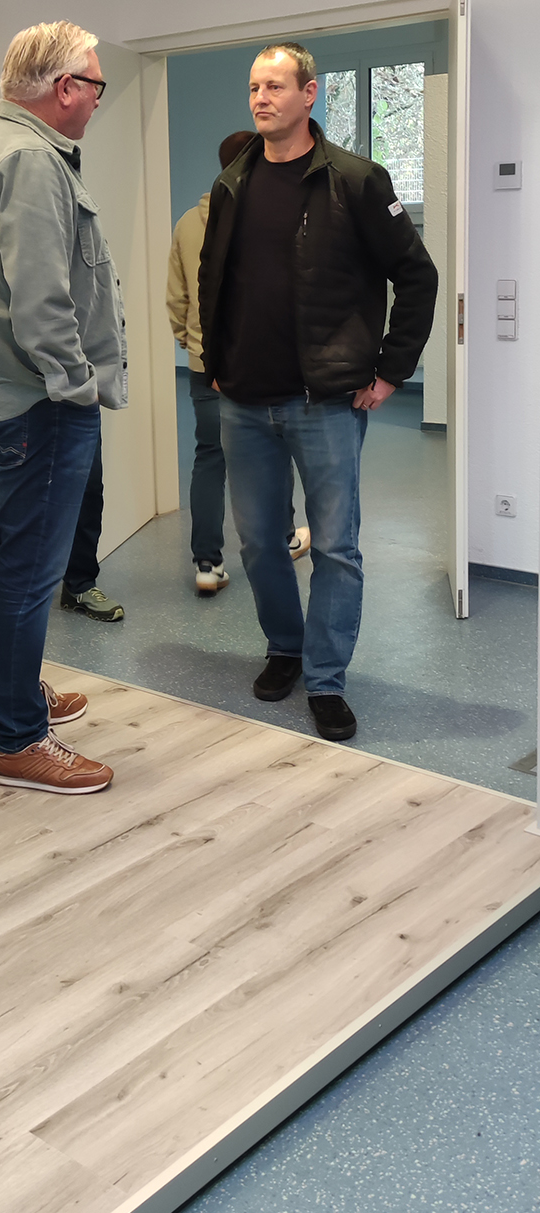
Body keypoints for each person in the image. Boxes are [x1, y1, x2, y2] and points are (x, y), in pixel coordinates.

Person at [199, 41, 437, 743]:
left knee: (335, 547)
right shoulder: (232, 184)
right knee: (258, 544)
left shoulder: (357, 181)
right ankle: (286, 649)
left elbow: (416, 275)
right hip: (244, 399)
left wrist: (391, 369)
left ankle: (327, 679)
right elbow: (215, 278)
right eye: (254, 87)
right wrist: (215, 359)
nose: (261, 98)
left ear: (309, 94)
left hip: (325, 401)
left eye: (275, 86)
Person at [0, 21, 127, 794]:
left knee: (11, 564)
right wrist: (78, 387)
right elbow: (43, 303)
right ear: (65, 88)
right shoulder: (30, 159)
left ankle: (16, 699)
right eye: (96, 84)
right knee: (28, 572)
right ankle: (20, 739)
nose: (97, 99)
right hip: (38, 400)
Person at [0, 250, 123, 618]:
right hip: (2, 394)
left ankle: (80, 583)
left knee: (86, 487)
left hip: (71, 386)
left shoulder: (59, 228)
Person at [167, 130, 311, 594]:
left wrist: (192, 344)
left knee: (209, 458)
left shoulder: (188, 222)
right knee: (276, 451)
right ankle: (285, 538)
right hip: (259, 365)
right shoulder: (268, 215)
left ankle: (207, 564)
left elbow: (177, 298)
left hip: (203, 363)